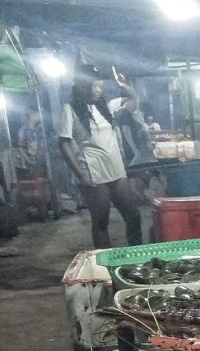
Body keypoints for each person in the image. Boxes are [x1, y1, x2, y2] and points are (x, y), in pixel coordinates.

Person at [57, 67, 142, 247]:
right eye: (94, 86)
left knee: (134, 216)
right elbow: (63, 143)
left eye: (100, 86)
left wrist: (124, 85)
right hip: (93, 172)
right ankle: (106, 268)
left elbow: (134, 100)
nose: (98, 89)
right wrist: (81, 175)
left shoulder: (106, 106)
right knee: (101, 222)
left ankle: (138, 260)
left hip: (116, 170)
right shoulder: (69, 109)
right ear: (83, 86)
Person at [16, 109, 46, 180]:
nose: (40, 116)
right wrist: (30, 161)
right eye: (38, 114)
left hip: (44, 163)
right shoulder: (23, 131)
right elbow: (21, 149)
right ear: (32, 115)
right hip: (31, 166)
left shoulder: (41, 129)